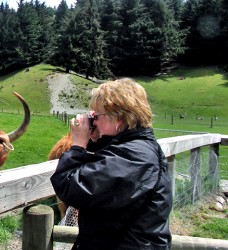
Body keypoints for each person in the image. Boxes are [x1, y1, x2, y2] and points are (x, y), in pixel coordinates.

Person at [50, 78, 172, 249]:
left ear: (118, 119)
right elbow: (111, 164)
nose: (94, 121)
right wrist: (94, 141)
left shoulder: (133, 157)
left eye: (97, 116)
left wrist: (78, 146)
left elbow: (70, 187)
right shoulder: (137, 150)